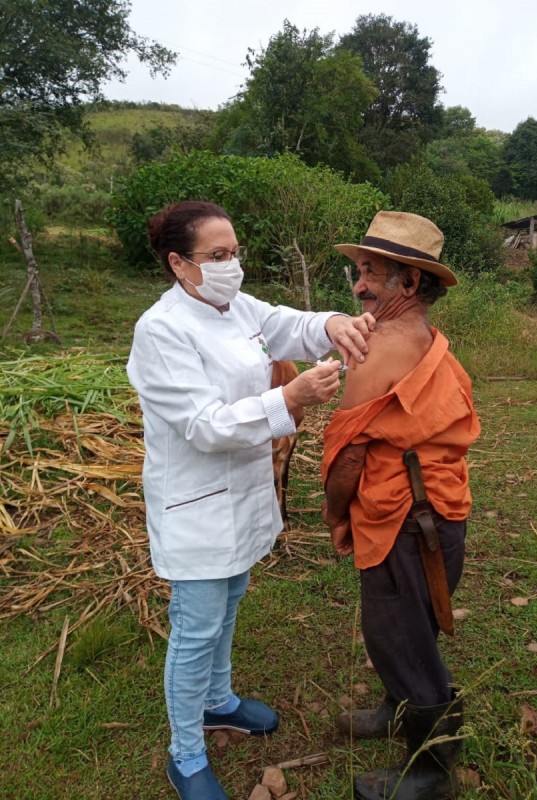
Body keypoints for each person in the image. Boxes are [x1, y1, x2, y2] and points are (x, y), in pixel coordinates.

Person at [126, 200, 375, 800]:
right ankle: (185, 753)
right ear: (179, 264)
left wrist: (334, 323)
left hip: (241, 494)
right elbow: (205, 425)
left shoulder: (236, 307)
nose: (231, 265)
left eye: (234, 253)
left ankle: (218, 700)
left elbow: (288, 324)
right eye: (217, 256)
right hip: (196, 504)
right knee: (195, 627)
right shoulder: (161, 330)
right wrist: (288, 399)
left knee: (231, 601)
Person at [321, 211, 481, 800]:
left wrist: (337, 516)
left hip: (407, 524)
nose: (358, 284)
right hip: (438, 517)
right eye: (357, 270)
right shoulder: (429, 340)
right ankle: (396, 707)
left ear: (410, 284)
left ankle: (435, 770)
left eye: (371, 272)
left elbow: (347, 460)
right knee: (410, 630)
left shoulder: (383, 346)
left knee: (398, 638)